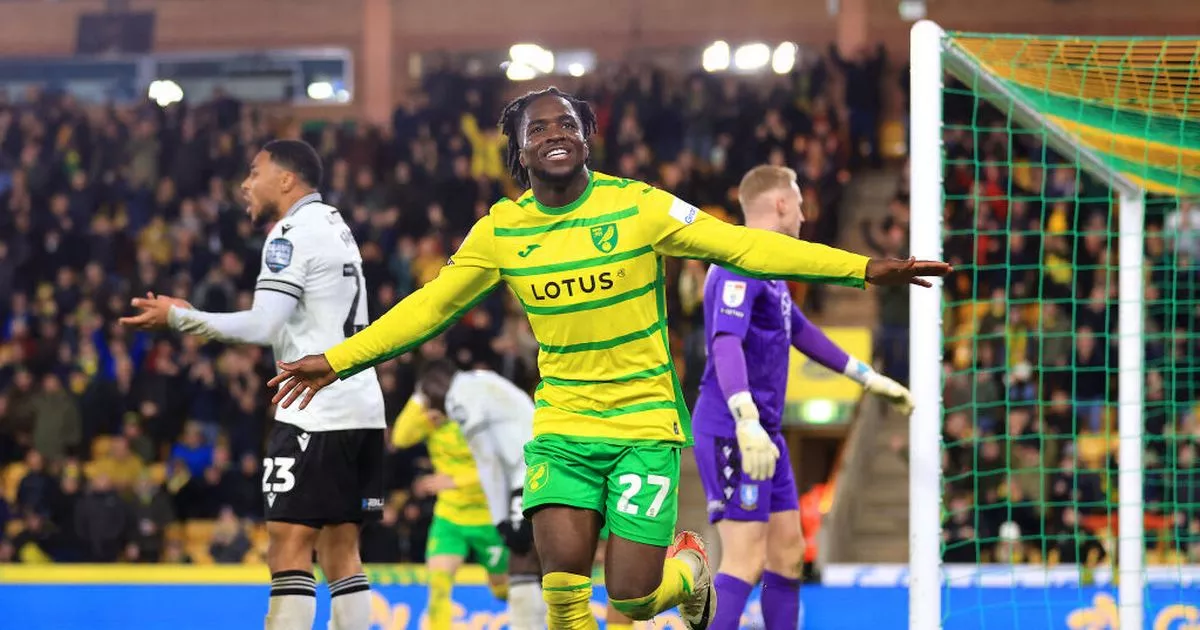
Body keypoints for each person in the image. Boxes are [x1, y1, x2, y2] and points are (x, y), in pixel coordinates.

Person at [267, 87, 951, 630]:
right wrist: (341, 358)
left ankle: (690, 572)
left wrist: (862, 269)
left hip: (642, 425)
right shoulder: (502, 231)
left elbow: (744, 246)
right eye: (538, 128)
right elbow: (429, 308)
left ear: (587, 137)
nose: (555, 133)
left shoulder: (638, 207)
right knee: (562, 593)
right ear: (519, 151)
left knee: (632, 596)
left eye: (566, 123)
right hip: (563, 427)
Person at [120, 139, 384, 630]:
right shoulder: (335, 224)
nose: (245, 184)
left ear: (286, 179)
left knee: (287, 544)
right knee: (341, 550)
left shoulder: (290, 233)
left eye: (254, 172)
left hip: (314, 411)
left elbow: (264, 324)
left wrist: (181, 318)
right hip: (363, 408)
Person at [691, 165, 915, 630]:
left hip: (767, 433)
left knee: (789, 554)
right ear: (781, 204)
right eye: (798, 203)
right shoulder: (735, 260)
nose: (804, 215)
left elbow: (800, 330)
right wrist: (745, 418)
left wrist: (867, 377)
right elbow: (725, 342)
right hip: (734, 429)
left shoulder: (771, 269)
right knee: (745, 558)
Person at [398, 360, 545, 630]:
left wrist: (456, 482)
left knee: (507, 583)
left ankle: (539, 617)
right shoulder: (437, 415)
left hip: (488, 509)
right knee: (438, 584)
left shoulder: (468, 407)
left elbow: (492, 463)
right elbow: (399, 437)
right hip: (451, 516)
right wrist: (419, 395)